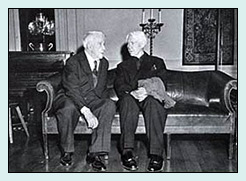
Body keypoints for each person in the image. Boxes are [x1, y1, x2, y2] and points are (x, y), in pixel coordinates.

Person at [53, 31, 116, 171]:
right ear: (88, 46)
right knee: (67, 108)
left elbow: (102, 89)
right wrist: (86, 111)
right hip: (71, 97)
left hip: (92, 99)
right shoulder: (73, 61)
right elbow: (72, 89)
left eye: (104, 44)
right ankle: (67, 151)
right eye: (100, 44)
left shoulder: (104, 63)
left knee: (109, 105)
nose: (104, 48)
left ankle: (95, 153)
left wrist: (101, 108)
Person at [114, 31, 168, 172]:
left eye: (132, 43)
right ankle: (127, 152)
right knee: (126, 101)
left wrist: (147, 90)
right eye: (128, 44)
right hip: (131, 96)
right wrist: (132, 92)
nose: (129, 47)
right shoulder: (122, 66)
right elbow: (119, 85)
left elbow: (162, 82)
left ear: (142, 44)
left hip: (149, 96)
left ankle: (156, 155)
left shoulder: (157, 62)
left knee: (154, 104)